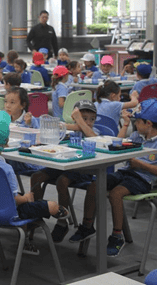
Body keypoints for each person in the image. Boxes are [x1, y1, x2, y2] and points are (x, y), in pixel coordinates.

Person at [69, 99, 157, 257]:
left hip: (143, 179)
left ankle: (117, 236)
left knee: (115, 193)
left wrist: (141, 165)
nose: (135, 125)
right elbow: (118, 144)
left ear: (149, 123)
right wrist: (125, 126)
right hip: (126, 172)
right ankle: (87, 226)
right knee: (94, 185)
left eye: (137, 121)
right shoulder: (137, 136)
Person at [0, 110, 70, 254]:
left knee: (27, 202)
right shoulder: (6, 169)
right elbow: (14, 200)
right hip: (7, 211)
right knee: (47, 204)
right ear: (6, 142)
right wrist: (26, 198)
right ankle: (54, 213)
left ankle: (27, 238)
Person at [30, 100, 99, 243]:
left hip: (83, 168)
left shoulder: (92, 132)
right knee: (36, 177)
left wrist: (80, 122)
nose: (88, 122)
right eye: (84, 118)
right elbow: (54, 130)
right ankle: (37, 215)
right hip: (64, 164)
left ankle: (62, 221)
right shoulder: (70, 130)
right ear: (74, 118)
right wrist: (73, 125)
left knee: (62, 181)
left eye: (92, 119)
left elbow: (95, 138)